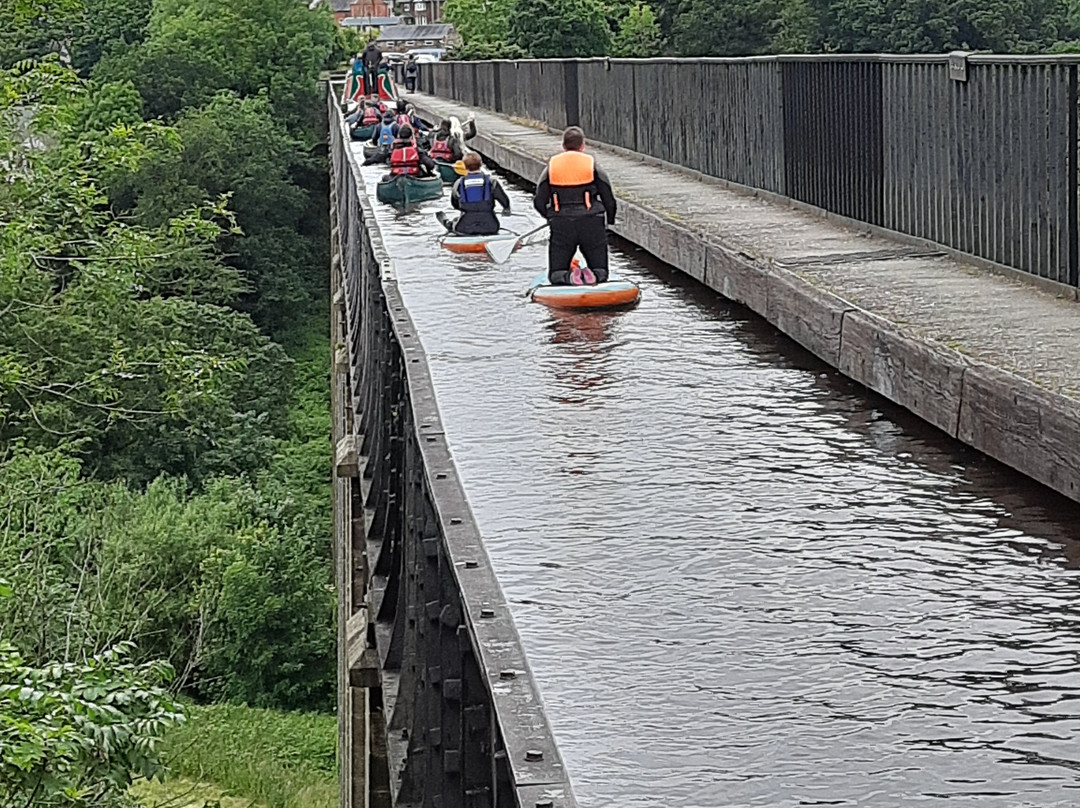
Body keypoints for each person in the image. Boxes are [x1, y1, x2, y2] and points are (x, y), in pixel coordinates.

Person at [533, 126, 616, 285]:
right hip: (592, 222)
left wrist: (550, 217)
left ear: (563, 147)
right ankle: (594, 276)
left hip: (562, 223)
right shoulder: (593, 166)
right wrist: (609, 220)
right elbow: (608, 198)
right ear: (583, 146)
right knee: (601, 271)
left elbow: (539, 201)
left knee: (556, 274)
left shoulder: (551, 168)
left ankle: (570, 277)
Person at [447, 154, 510, 235]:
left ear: (465, 166)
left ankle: (450, 224)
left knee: (456, 222)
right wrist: (506, 208)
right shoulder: (492, 181)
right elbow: (504, 200)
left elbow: (455, 204)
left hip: (465, 227)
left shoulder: (458, 183)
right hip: (490, 227)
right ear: (481, 164)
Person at [363, 124, 436, 177]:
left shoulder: (391, 148)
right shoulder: (417, 150)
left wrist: (366, 162)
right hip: (415, 175)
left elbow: (378, 157)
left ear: (399, 136)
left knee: (384, 178)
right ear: (411, 136)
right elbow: (430, 165)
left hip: (396, 175)